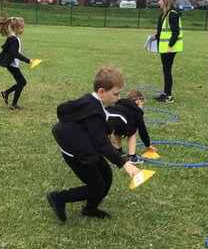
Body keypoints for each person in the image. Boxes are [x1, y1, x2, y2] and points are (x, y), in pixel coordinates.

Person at [47, 66, 142, 222]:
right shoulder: (92, 110)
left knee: (107, 176)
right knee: (97, 185)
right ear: (102, 92)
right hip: (76, 150)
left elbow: (101, 119)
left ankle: (89, 209)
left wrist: (109, 128)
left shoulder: (94, 102)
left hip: (85, 142)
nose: (118, 98)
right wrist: (125, 164)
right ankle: (58, 198)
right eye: (116, 94)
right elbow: (102, 144)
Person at [0, 15, 32, 110]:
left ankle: (6, 93)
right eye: (22, 27)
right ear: (16, 28)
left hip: (12, 64)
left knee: (21, 82)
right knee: (22, 82)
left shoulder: (13, 37)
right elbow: (15, 54)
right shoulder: (13, 39)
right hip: (12, 65)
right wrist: (28, 60)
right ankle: (13, 103)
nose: (23, 29)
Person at [152, 0, 183, 104]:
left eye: (159, 0)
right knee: (165, 70)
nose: (158, 2)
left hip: (169, 48)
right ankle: (165, 93)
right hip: (164, 47)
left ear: (165, 1)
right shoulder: (163, 14)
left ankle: (168, 97)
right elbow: (164, 29)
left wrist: (170, 46)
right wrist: (157, 35)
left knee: (167, 70)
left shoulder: (172, 14)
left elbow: (175, 32)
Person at [108, 89, 152, 163]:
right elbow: (142, 130)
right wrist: (148, 145)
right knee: (132, 132)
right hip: (119, 120)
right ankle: (132, 157)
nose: (142, 105)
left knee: (118, 126)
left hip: (107, 117)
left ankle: (118, 150)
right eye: (143, 102)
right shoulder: (137, 111)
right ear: (139, 100)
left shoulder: (120, 102)